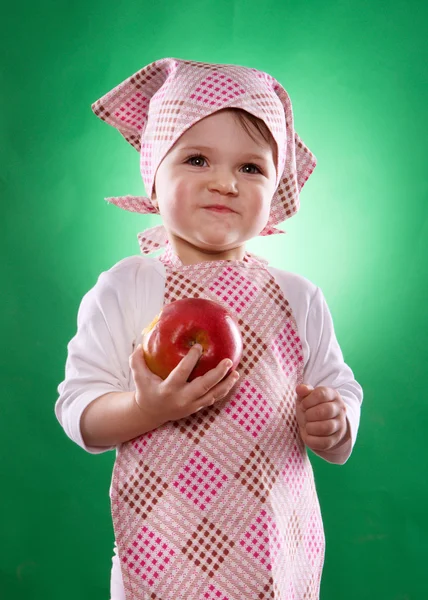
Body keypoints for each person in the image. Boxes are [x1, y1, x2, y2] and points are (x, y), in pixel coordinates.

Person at [55, 57, 363, 600]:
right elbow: (79, 411)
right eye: (197, 159)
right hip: (163, 554)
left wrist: (334, 424)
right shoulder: (127, 288)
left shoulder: (298, 297)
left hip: (276, 557)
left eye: (251, 168)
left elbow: (339, 394)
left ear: (277, 189)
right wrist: (145, 410)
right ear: (154, 174)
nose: (225, 182)